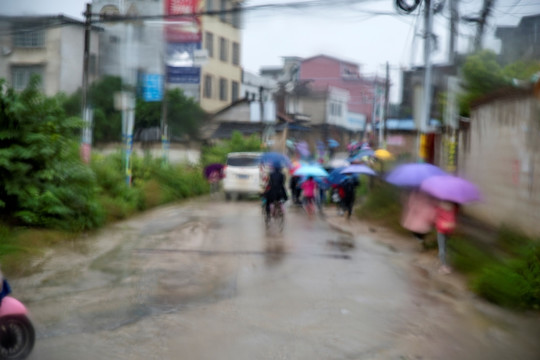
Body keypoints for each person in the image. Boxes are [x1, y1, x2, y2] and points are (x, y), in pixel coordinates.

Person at [435, 200, 459, 274]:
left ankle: (443, 264)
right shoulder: (452, 208)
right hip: (445, 231)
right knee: (444, 247)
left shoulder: (442, 207)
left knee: (443, 248)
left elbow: (437, 216)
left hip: (444, 231)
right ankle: (446, 265)